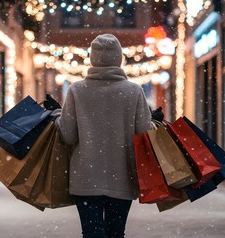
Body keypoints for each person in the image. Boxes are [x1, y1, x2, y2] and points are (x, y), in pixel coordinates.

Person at [44, 34, 163, 238]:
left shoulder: (77, 90)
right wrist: (154, 120)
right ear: (119, 58)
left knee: (91, 233)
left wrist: (56, 114)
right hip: (122, 177)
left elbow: (67, 135)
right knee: (116, 233)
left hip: (85, 179)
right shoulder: (133, 91)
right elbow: (145, 133)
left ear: (92, 58)